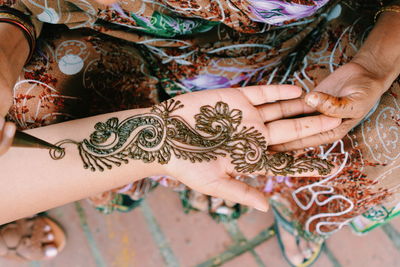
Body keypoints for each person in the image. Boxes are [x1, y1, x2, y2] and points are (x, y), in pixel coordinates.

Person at [0, 0, 399, 265]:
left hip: (315, 34)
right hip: (119, 45)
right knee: (33, 102)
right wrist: (4, 57)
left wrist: (379, 63)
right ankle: (175, 175)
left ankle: (298, 206)